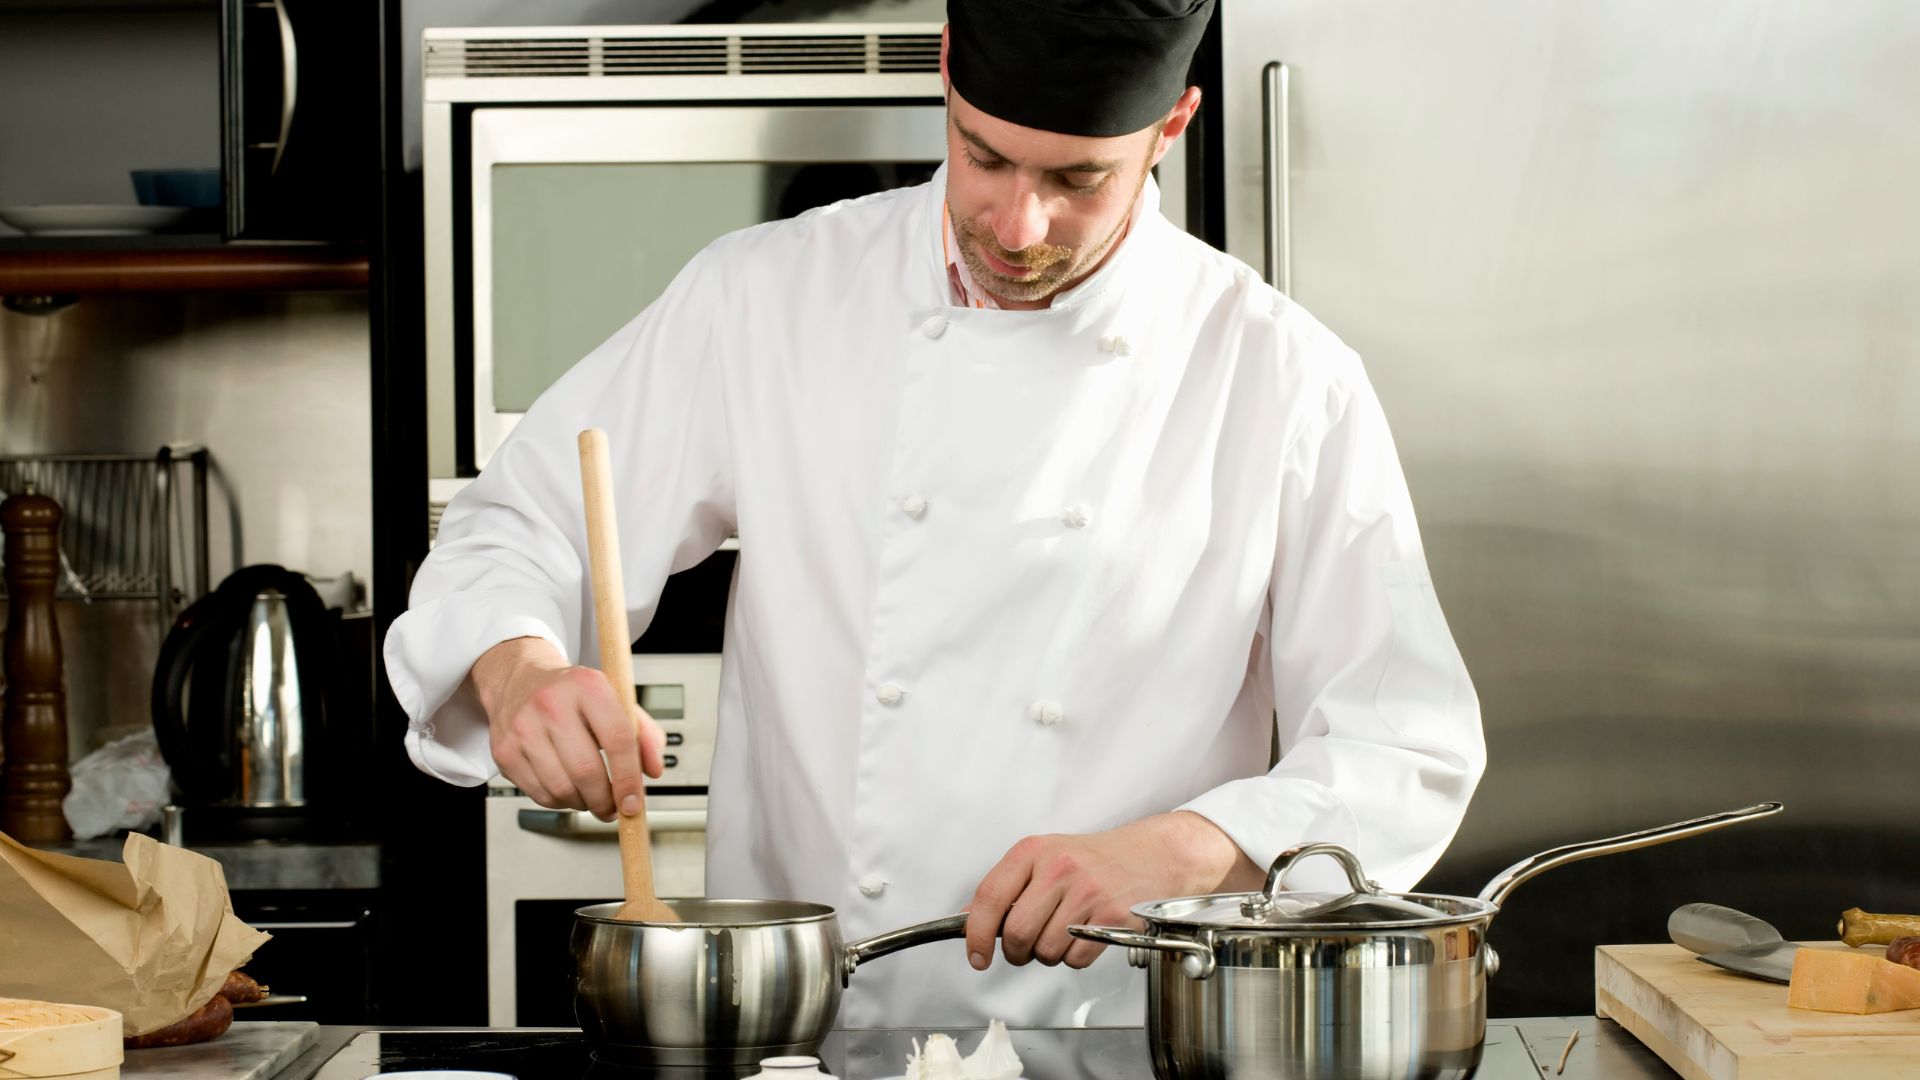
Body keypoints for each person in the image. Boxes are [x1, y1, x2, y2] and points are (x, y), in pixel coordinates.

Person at [384, 0, 1486, 1028]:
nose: (1018, 224)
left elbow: (1405, 743)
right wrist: (519, 669)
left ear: (1173, 127)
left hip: (1120, 1039)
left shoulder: (1280, 376)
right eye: (985, 155)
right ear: (947, 74)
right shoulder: (770, 297)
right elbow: (518, 521)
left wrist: (1191, 851)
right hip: (808, 1040)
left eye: (1079, 180)